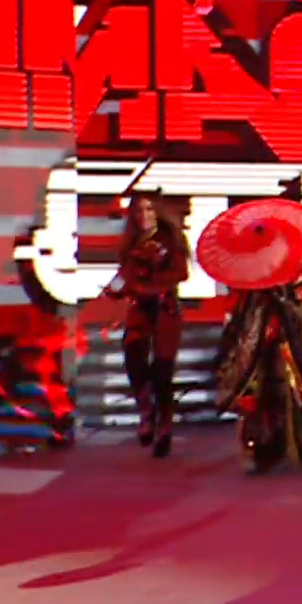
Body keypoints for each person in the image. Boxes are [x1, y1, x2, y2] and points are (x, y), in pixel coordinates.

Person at [213, 181, 302, 475]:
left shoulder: (294, 266)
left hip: (289, 339)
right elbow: (237, 311)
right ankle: (257, 447)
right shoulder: (244, 273)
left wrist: (292, 300)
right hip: (255, 340)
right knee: (253, 392)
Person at [113, 193, 188, 459]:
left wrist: (153, 277)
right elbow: (124, 277)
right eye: (138, 210)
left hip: (165, 308)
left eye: (148, 209)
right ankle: (146, 411)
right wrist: (119, 289)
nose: (143, 215)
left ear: (157, 212)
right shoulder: (131, 243)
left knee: (163, 371)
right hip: (139, 309)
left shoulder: (171, 240)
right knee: (133, 358)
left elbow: (181, 273)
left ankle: (164, 429)